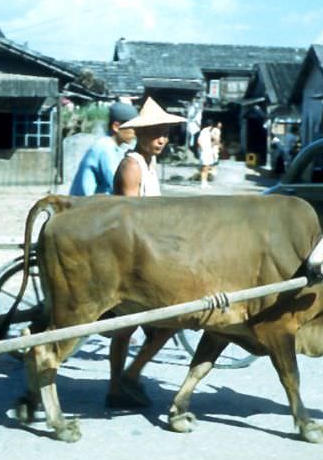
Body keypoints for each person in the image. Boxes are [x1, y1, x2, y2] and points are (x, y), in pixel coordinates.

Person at [106, 96, 185, 408]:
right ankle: (120, 383)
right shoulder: (132, 165)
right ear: (139, 134)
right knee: (130, 327)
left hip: (151, 253)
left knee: (158, 325)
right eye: (155, 133)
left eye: (164, 133)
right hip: (133, 257)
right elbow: (130, 219)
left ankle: (126, 380)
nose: (161, 139)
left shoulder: (150, 164)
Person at [69, 102, 138, 196]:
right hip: (86, 203)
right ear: (116, 127)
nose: (135, 132)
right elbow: (117, 184)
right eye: (132, 127)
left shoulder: (113, 148)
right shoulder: (105, 148)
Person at [197, 120, 215, 188]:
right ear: (211, 126)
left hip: (208, 151)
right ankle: (203, 183)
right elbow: (199, 141)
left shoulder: (208, 132)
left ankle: (205, 182)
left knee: (207, 168)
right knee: (204, 168)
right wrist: (202, 149)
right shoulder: (204, 131)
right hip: (205, 152)